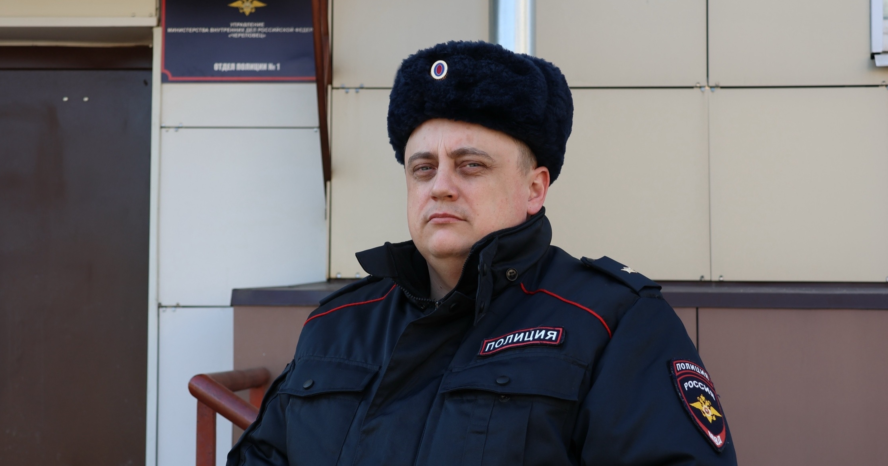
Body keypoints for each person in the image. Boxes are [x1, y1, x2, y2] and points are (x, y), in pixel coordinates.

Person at [228, 41, 736, 465]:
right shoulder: (337, 326)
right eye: (423, 168)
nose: (440, 186)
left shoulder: (613, 322)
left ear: (534, 188)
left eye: (470, 165)